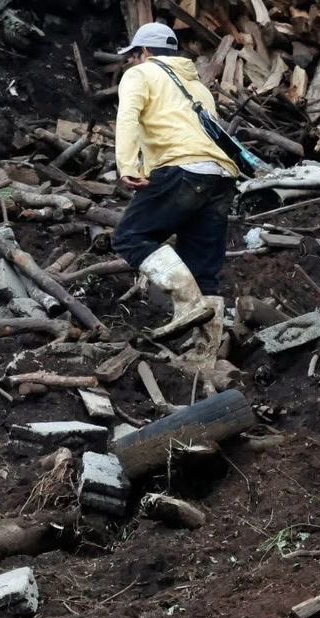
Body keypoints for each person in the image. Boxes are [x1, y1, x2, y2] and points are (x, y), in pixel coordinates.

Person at [111, 21, 239, 370]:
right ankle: (203, 359)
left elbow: (128, 118)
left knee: (130, 238)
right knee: (204, 268)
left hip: (181, 168)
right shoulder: (197, 87)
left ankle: (187, 304)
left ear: (145, 53)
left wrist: (127, 167)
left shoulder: (141, 74)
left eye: (133, 55)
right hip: (221, 175)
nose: (132, 62)